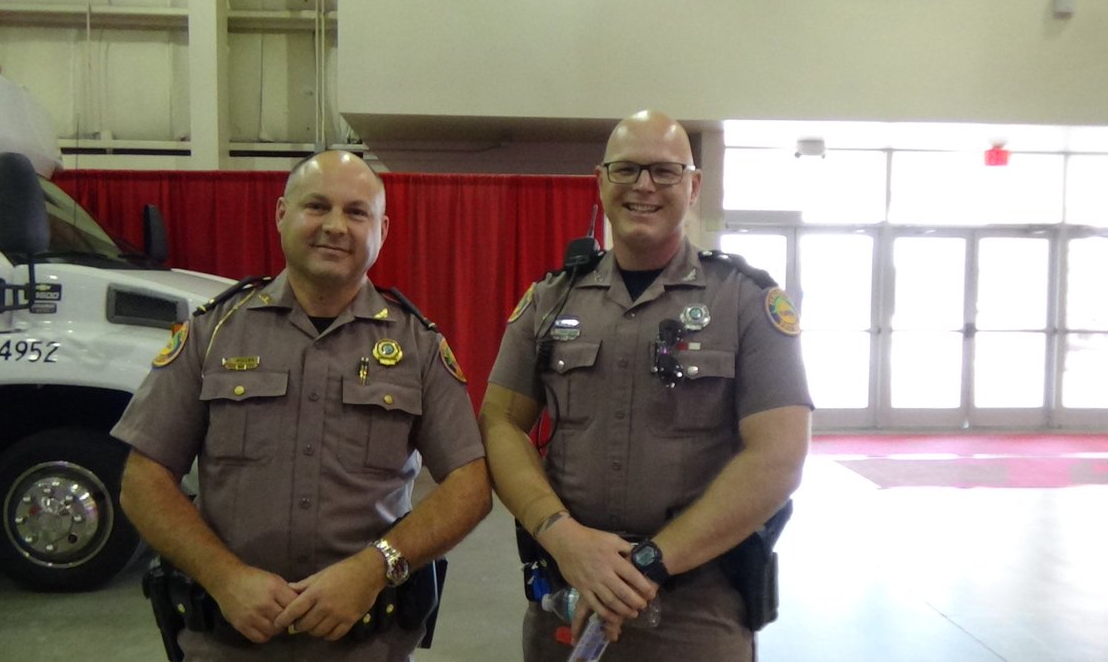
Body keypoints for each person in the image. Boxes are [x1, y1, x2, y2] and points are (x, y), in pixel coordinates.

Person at [115, 150, 492, 661]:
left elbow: (471, 486)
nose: (335, 226)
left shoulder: (418, 346)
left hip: (367, 647)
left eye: (356, 212)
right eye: (317, 206)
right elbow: (143, 480)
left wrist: (374, 568)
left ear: (381, 230)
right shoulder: (214, 331)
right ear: (281, 214)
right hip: (227, 645)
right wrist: (224, 577)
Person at [480, 110, 812, 661]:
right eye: (627, 169)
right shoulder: (551, 299)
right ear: (601, 181)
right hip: (567, 595)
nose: (644, 186)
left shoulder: (745, 300)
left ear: (693, 186)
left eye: (664, 171)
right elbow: (500, 422)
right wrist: (563, 538)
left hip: (695, 613)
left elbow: (779, 456)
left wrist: (646, 564)